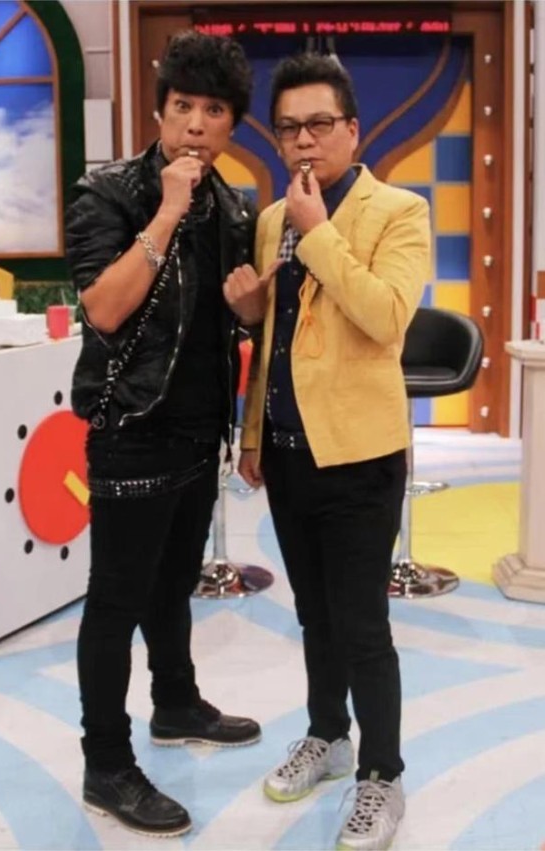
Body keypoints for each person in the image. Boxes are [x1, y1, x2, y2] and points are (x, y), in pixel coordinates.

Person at [65, 31, 270, 839]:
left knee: (174, 580)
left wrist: (249, 311)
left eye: (212, 111)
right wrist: (168, 209)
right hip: (130, 426)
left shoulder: (235, 206)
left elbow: (229, 321)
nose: (194, 124)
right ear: (158, 113)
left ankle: (176, 701)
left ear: (231, 127)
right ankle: (106, 762)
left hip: (196, 430)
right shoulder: (108, 192)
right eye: (182, 106)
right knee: (116, 597)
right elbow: (104, 309)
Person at [230, 53, 431, 851]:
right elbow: (276, 340)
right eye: (288, 128)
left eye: (319, 124)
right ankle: (328, 734)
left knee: (361, 624)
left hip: (359, 453)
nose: (303, 141)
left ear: (352, 128)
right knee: (313, 615)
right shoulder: (272, 217)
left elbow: (385, 315)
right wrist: (252, 430)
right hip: (287, 450)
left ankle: (382, 773)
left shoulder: (399, 211)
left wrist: (319, 235)